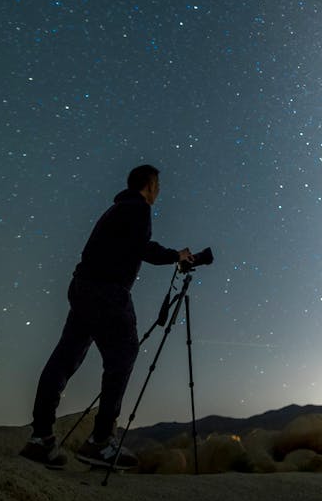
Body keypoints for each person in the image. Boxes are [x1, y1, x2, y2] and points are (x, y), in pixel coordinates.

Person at [19, 164, 196, 469]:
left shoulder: (114, 210)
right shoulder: (138, 209)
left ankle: (41, 438)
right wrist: (176, 256)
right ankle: (100, 441)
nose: (159, 192)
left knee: (65, 357)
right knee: (123, 353)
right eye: (158, 186)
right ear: (150, 185)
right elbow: (144, 248)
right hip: (107, 291)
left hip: (83, 287)